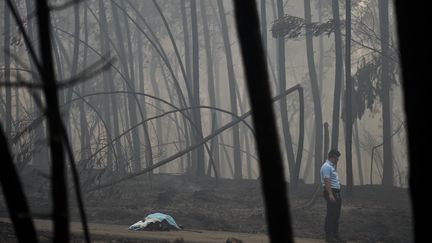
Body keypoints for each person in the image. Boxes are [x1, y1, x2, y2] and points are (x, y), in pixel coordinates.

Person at [320, 149, 345, 242]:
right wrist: (330, 194)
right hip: (332, 192)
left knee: (336, 215)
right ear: (332, 157)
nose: (337, 160)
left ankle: (335, 234)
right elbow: (327, 181)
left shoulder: (331, 167)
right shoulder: (326, 167)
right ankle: (329, 237)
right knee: (331, 214)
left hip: (336, 192)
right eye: (336, 158)